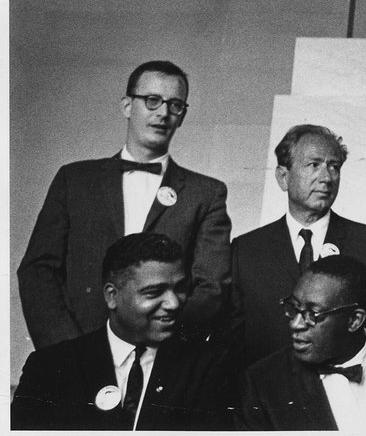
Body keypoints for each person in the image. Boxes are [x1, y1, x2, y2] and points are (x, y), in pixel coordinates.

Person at [18, 60, 231, 348]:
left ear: (182, 116)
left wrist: (159, 348)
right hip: (76, 352)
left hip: (160, 359)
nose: (163, 113)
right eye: (152, 100)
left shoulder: (205, 193)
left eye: (175, 105)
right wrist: (67, 352)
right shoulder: (75, 179)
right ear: (127, 106)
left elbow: (211, 289)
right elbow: (38, 270)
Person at [12, 232, 233, 429]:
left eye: (180, 288)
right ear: (112, 296)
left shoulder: (208, 368)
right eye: (154, 292)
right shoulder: (49, 367)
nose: (174, 303)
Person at [230, 124, 366, 366]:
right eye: (314, 165)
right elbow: (231, 344)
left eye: (334, 167)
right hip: (267, 386)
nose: (327, 177)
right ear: (283, 177)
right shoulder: (246, 249)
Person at [240, 254, 366, 430]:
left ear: (354, 320)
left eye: (313, 314)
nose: (296, 324)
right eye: (294, 308)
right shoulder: (262, 385)